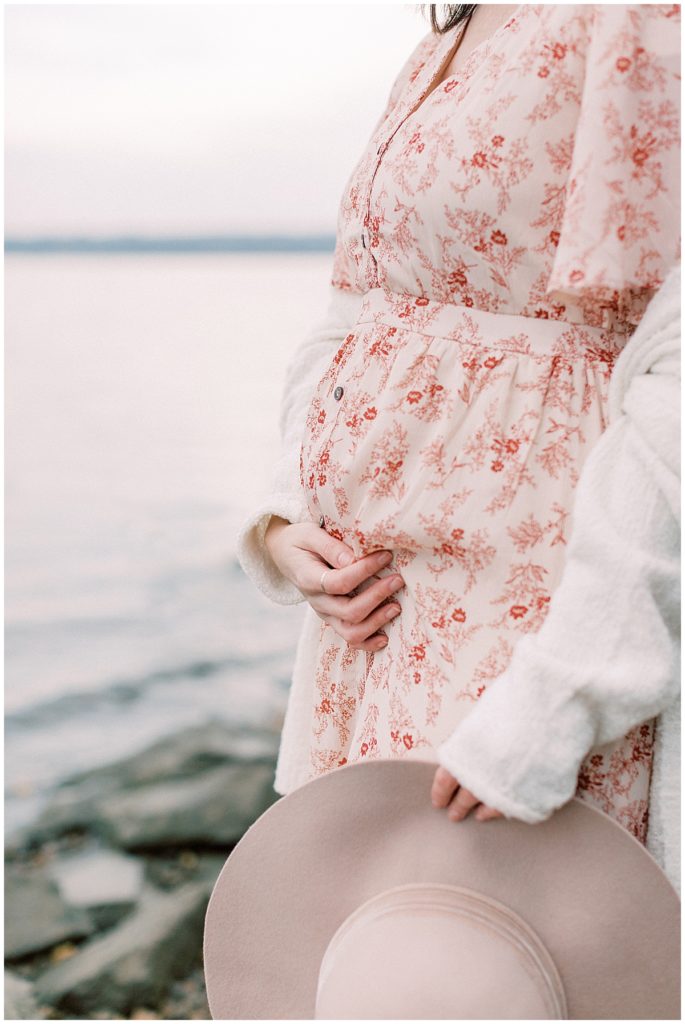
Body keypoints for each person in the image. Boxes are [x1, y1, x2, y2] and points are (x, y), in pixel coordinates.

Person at [237, 3, 680, 862]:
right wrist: (287, 517)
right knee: (370, 933)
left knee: (494, 954)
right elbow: (359, 308)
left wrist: (560, 698)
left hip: (524, 618)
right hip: (375, 620)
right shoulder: (449, 29)